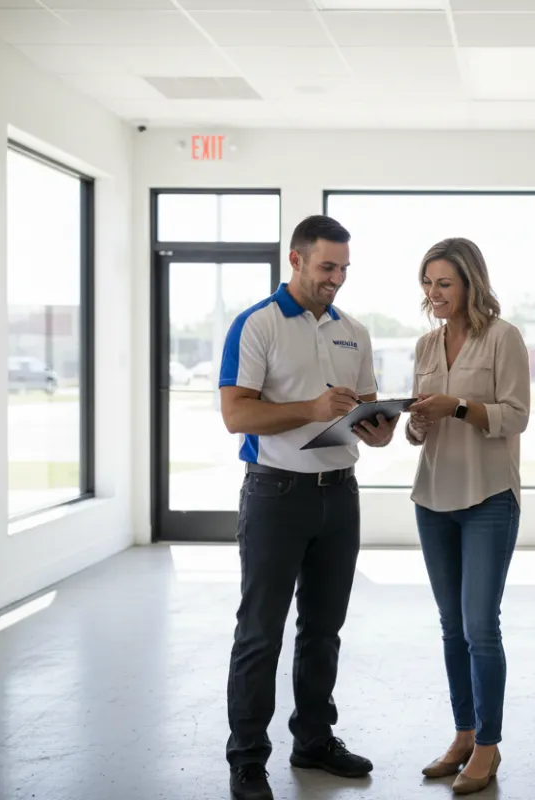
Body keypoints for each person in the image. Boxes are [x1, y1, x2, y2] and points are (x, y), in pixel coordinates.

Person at [218, 214, 396, 800]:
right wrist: (311, 409)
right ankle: (247, 760)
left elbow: (367, 411)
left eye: (344, 268)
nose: (337, 278)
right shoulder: (256, 325)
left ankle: (314, 740)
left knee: (323, 630)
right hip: (275, 494)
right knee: (260, 633)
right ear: (294, 260)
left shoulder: (355, 331)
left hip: (340, 494)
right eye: (327, 267)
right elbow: (237, 416)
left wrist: (376, 428)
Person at [405, 237, 531, 795]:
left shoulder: (504, 339)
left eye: (444, 283)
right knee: (451, 627)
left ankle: (488, 745)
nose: (434, 293)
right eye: (428, 283)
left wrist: (456, 406)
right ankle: (463, 733)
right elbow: (416, 428)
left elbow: (516, 415)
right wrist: (413, 424)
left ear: (470, 283)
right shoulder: (425, 346)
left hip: (489, 498)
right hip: (432, 499)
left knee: (481, 626)